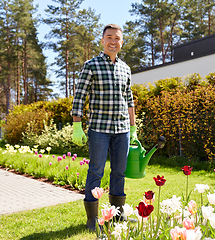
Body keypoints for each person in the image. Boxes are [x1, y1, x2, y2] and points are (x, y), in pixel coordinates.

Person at [71, 23, 138, 231]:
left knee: (119, 172)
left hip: (122, 130)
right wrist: (77, 125)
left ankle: (117, 217)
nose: (113, 41)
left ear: (122, 42)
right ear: (102, 40)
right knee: (96, 171)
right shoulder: (91, 65)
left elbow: (130, 100)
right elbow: (80, 96)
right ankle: (92, 220)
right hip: (99, 128)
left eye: (117, 38)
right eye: (109, 37)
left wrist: (133, 128)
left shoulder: (125, 68)